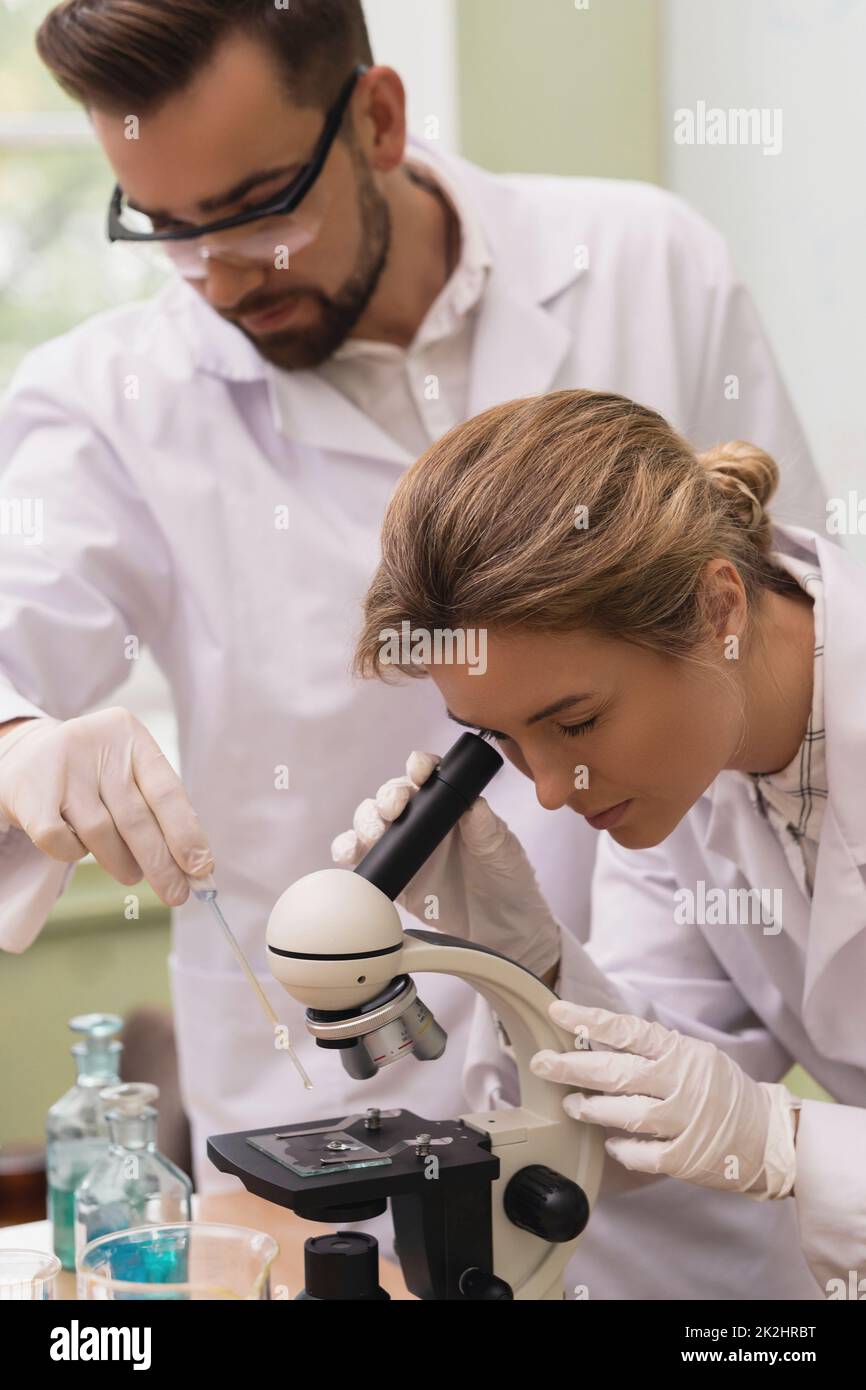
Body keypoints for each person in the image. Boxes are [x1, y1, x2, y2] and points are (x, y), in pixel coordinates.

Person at [0, 0, 825, 1298]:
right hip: (322, 1084)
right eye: (168, 229)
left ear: (377, 118)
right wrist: (22, 740)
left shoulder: (644, 263)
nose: (219, 276)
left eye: (259, 204)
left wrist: (772, 1131)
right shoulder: (111, 402)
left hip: (671, 1021)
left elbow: (783, 626)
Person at [336, 387, 865, 1295]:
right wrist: (525, 963)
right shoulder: (688, 770)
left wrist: (792, 1144)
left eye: (574, 724)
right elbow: (653, 1121)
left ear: (718, 609)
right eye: (502, 741)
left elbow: (742, 1128)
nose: (548, 791)